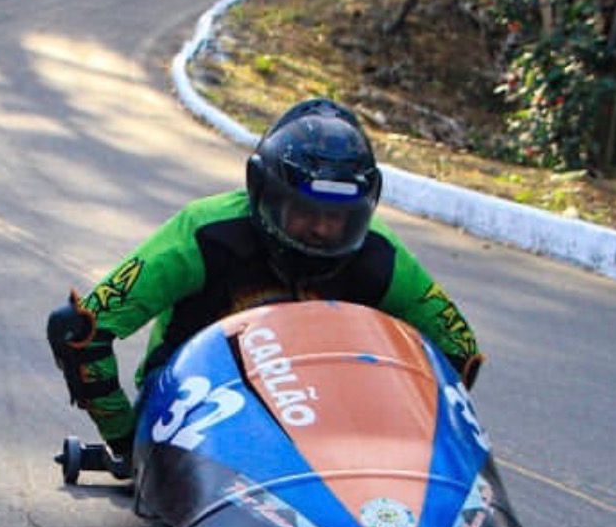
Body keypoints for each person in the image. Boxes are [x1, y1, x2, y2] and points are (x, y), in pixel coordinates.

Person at [46, 98, 483, 463]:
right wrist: (126, 441)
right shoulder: (202, 232)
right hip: (204, 403)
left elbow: (459, 350)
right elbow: (81, 329)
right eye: (306, 212)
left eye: (338, 218)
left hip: (329, 405)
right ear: (263, 191)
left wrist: (415, 439)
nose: (321, 231)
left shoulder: (381, 254)